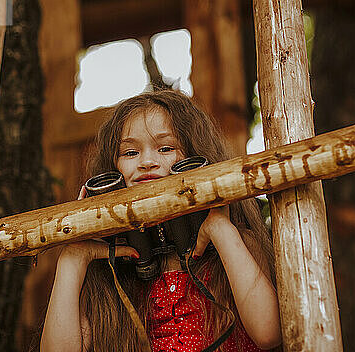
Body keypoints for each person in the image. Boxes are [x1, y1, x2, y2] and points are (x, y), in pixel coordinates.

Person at [41, 89, 281, 352]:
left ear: (193, 160)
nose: (147, 162)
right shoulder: (107, 272)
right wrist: (73, 258)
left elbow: (268, 334)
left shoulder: (236, 243)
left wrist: (220, 227)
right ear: (113, 173)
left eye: (165, 148)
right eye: (130, 153)